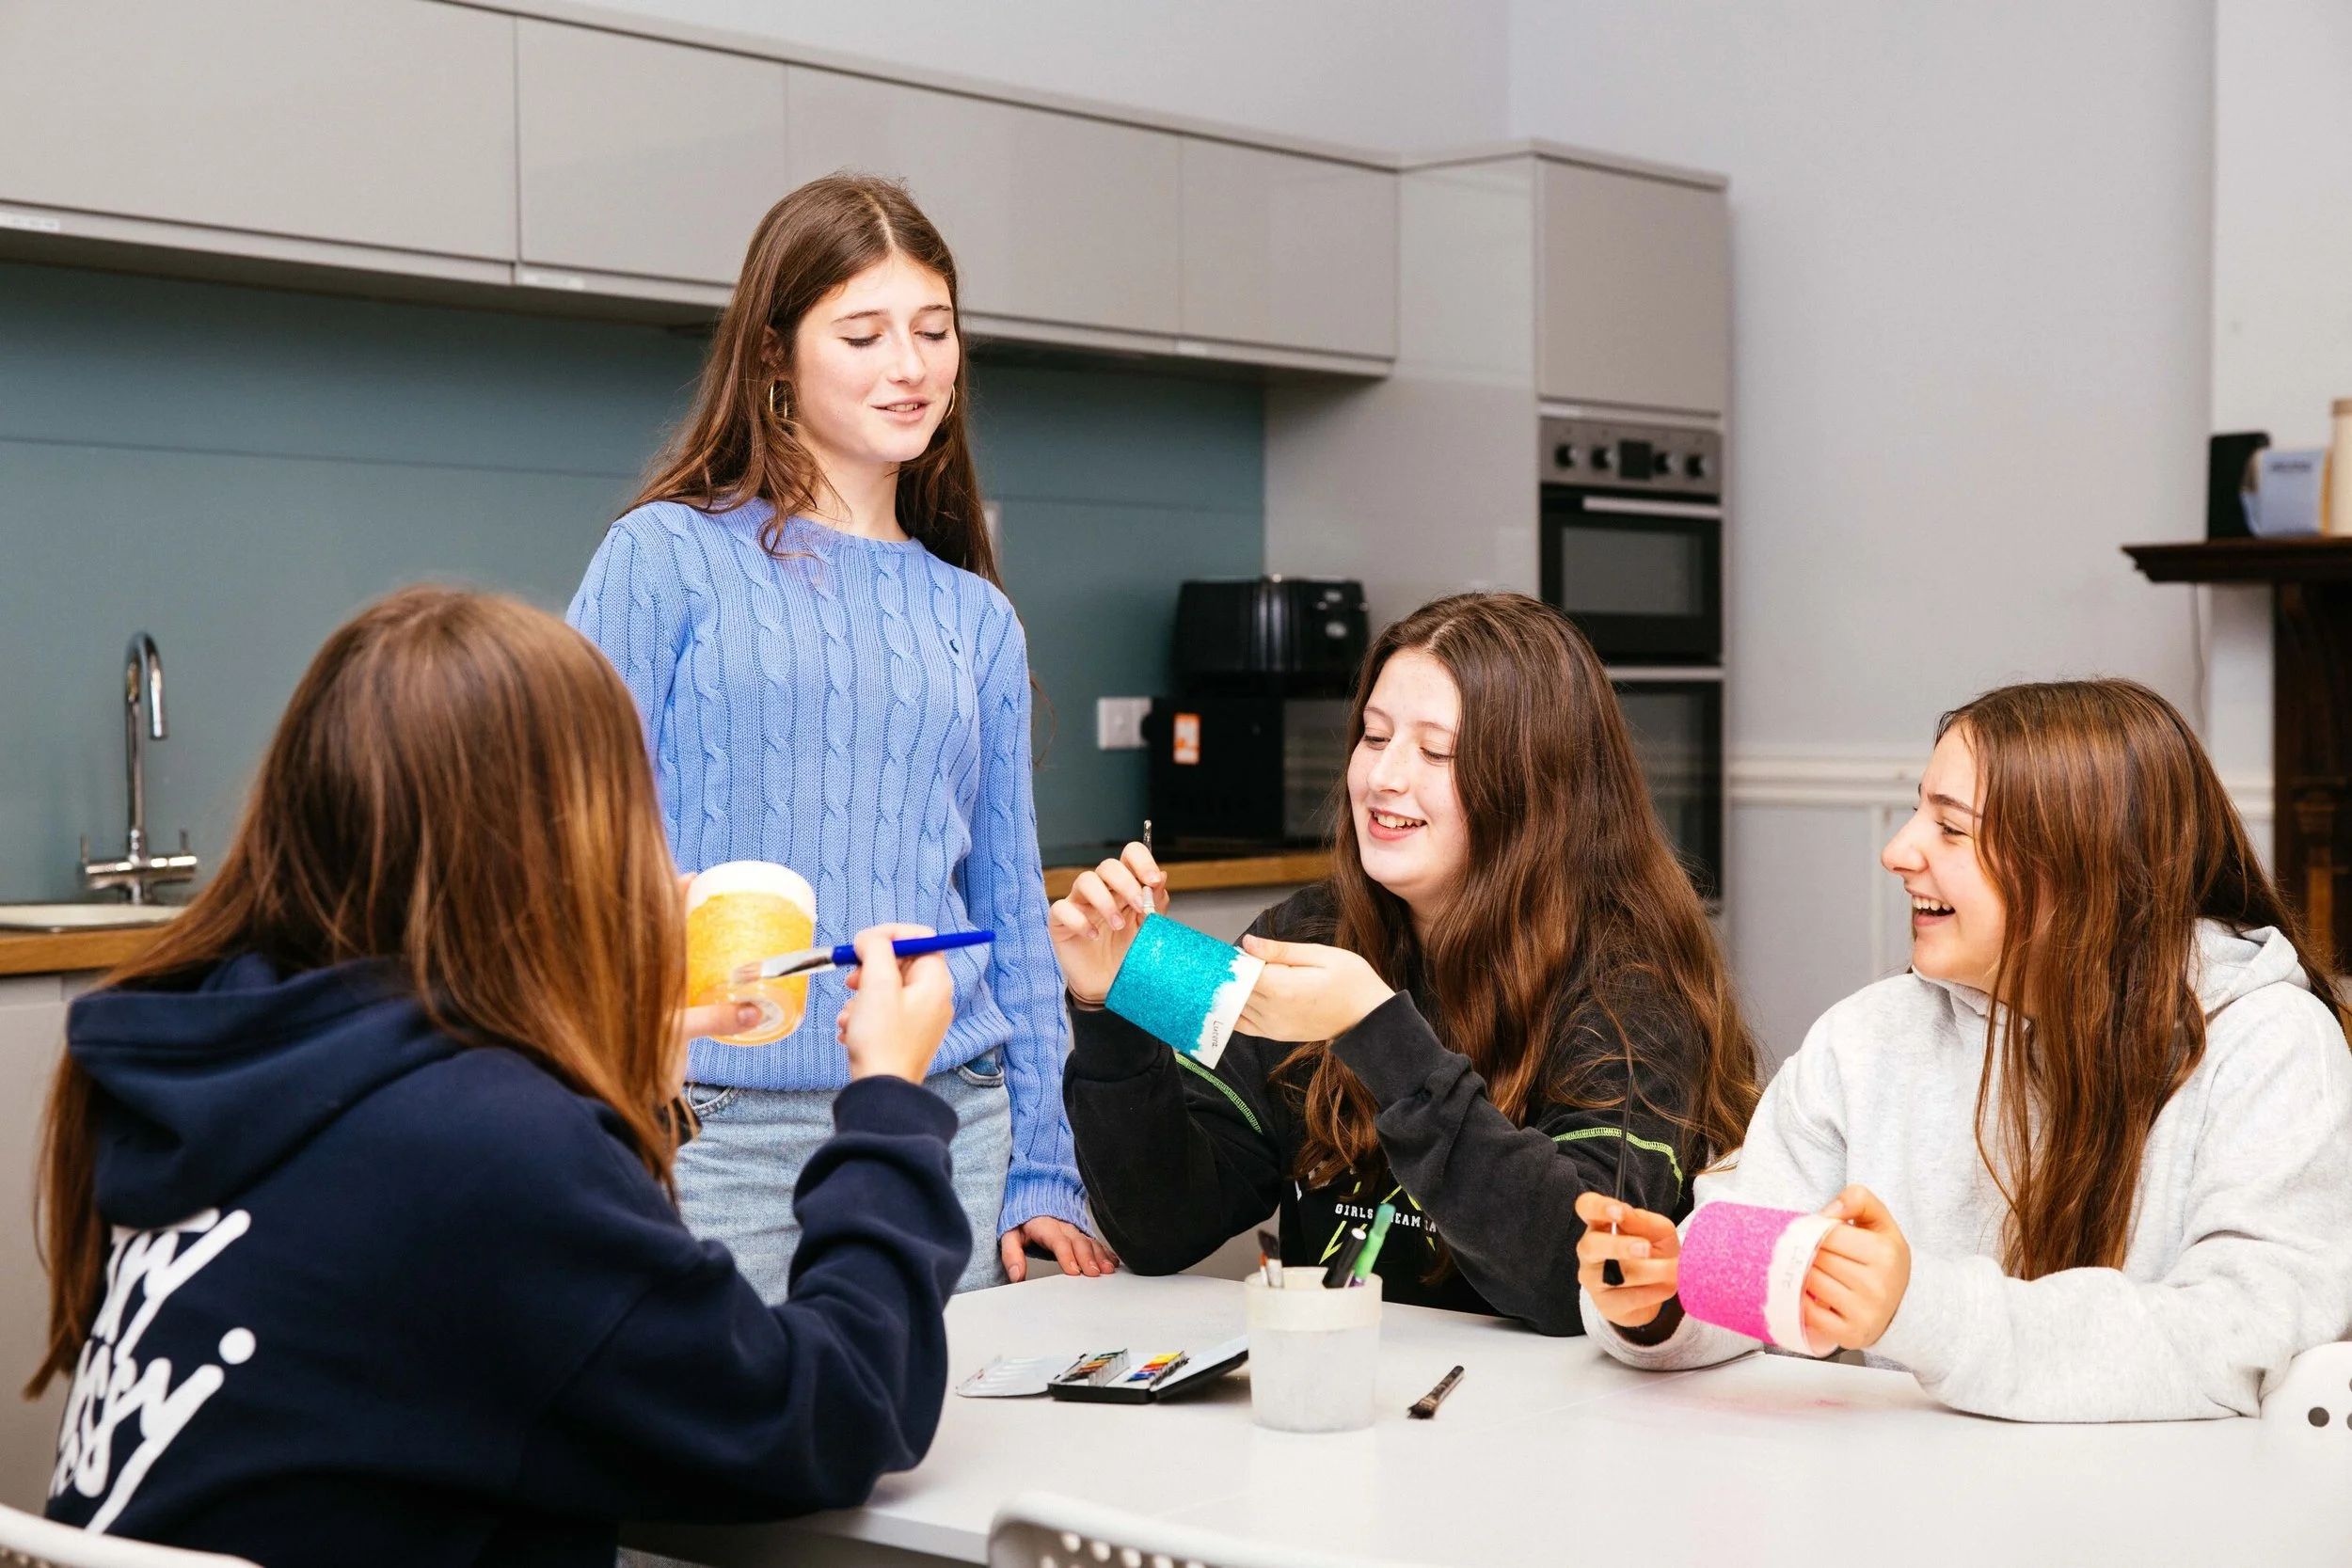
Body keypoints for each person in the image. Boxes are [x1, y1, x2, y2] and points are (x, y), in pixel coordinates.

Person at [32, 587, 972, 1564]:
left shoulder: (235, 1059)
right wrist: (890, 1100)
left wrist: (613, 1066)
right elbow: (833, 1412)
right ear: (569, 847)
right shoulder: (485, 1143)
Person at [568, 173, 1106, 1295]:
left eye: (934, 330)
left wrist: (1045, 1164)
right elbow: (564, 838)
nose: (909, 367)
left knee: (935, 1462)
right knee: (723, 1461)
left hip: (944, 1123)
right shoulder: (663, 557)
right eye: (862, 333)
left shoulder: (974, 615)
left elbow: (1009, 908)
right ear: (774, 355)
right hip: (711, 1128)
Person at [1577, 678, 2352, 1420]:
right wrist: (1664, 1297)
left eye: (1952, 828)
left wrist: (1924, 1309)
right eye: (1919, 812)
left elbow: (2237, 1335)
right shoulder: (1866, 1037)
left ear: (2087, 870)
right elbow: (1757, 1262)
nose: (1897, 850)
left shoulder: (2271, 1046)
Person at [1053, 593, 1759, 1332]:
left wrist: (1376, 1027)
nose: (1382, 777)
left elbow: (1579, 1279)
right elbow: (1162, 1229)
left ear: (1539, 783)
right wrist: (1113, 1006)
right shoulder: (1302, 931)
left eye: (1436, 750)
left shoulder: (1633, 984)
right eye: (1373, 735)